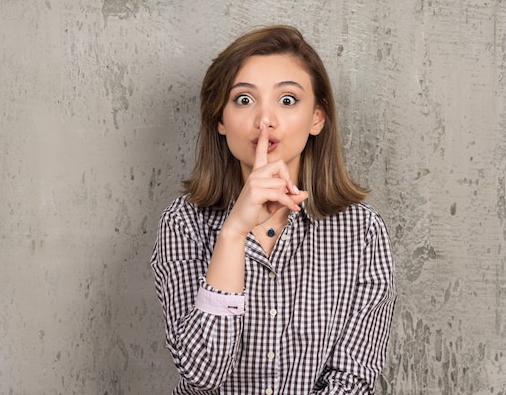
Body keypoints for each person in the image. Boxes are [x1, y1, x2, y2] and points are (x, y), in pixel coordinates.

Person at [151, 25, 396, 395]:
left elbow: (351, 381)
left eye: (287, 100)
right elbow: (201, 373)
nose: (264, 120)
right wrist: (234, 233)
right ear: (220, 119)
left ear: (317, 117)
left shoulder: (362, 233)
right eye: (244, 100)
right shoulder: (183, 223)